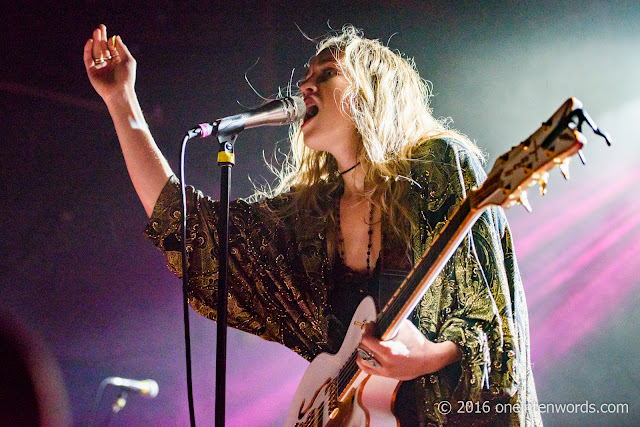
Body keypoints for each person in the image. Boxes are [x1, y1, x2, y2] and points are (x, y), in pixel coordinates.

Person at [84, 23, 542, 426]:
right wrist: (121, 100)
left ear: (372, 91)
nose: (306, 85)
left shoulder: (439, 167)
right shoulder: (309, 218)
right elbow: (194, 231)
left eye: (326, 74)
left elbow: (496, 327)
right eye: (306, 77)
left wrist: (428, 357)